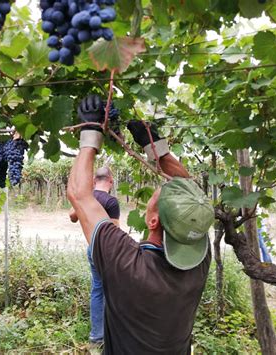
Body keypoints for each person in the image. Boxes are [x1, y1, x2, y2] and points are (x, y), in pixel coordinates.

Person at [67, 95, 215, 354]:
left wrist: (90, 132)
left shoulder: (128, 265)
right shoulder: (198, 261)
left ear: (153, 220)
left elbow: (79, 195)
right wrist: (155, 147)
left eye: (160, 194)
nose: (166, 185)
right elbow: (191, 199)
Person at [69, 167, 120, 344]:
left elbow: (72, 216)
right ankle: (113, 334)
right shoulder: (111, 202)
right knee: (113, 290)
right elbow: (115, 231)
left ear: (93, 181)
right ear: (111, 181)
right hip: (106, 250)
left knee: (97, 290)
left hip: (91, 248)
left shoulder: (87, 198)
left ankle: (96, 336)